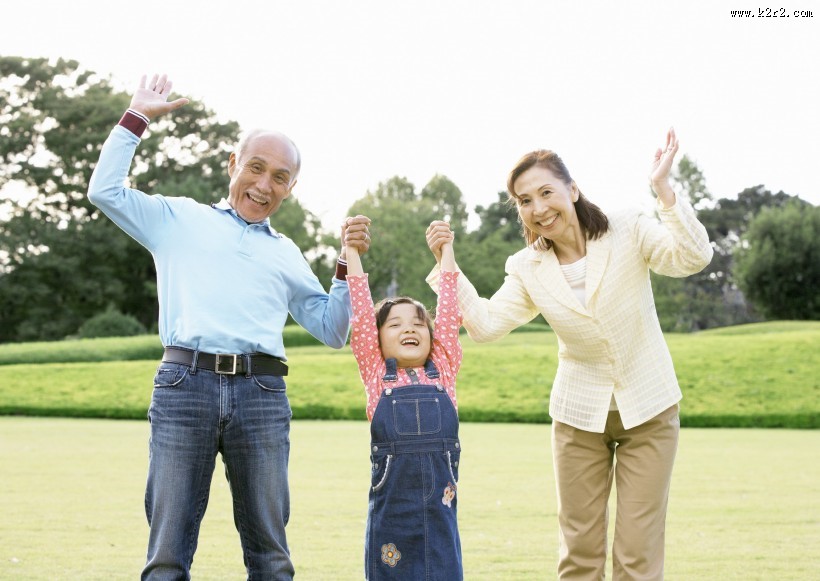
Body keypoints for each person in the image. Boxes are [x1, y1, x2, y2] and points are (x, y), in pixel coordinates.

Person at [87, 73, 371, 580]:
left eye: (279, 177)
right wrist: (137, 117)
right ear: (232, 164)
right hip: (184, 387)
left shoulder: (286, 253)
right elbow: (104, 191)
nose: (263, 185)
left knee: (271, 558)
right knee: (167, 555)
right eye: (255, 168)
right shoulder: (178, 219)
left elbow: (332, 329)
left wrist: (347, 262)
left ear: (290, 188)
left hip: (261, 394)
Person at [426, 128, 713, 580]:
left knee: (638, 553)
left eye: (546, 192)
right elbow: (484, 325)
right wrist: (447, 261)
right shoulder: (526, 267)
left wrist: (662, 188)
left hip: (650, 409)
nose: (538, 208)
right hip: (579, 416)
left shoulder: (628, 227)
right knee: (579, 551)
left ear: (572, 190)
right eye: (525, 200)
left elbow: (693, 257)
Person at [344, 221, 464, 580]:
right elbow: (361, 310)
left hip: (440, 506)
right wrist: (351, 252)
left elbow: (449, 306)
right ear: (376, 339)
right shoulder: (376, 371)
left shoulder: (444, 367)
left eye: (417, 323)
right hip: (392, 505)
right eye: (394, 324)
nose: (409, 328)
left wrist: (445, 251)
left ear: (432, 336)